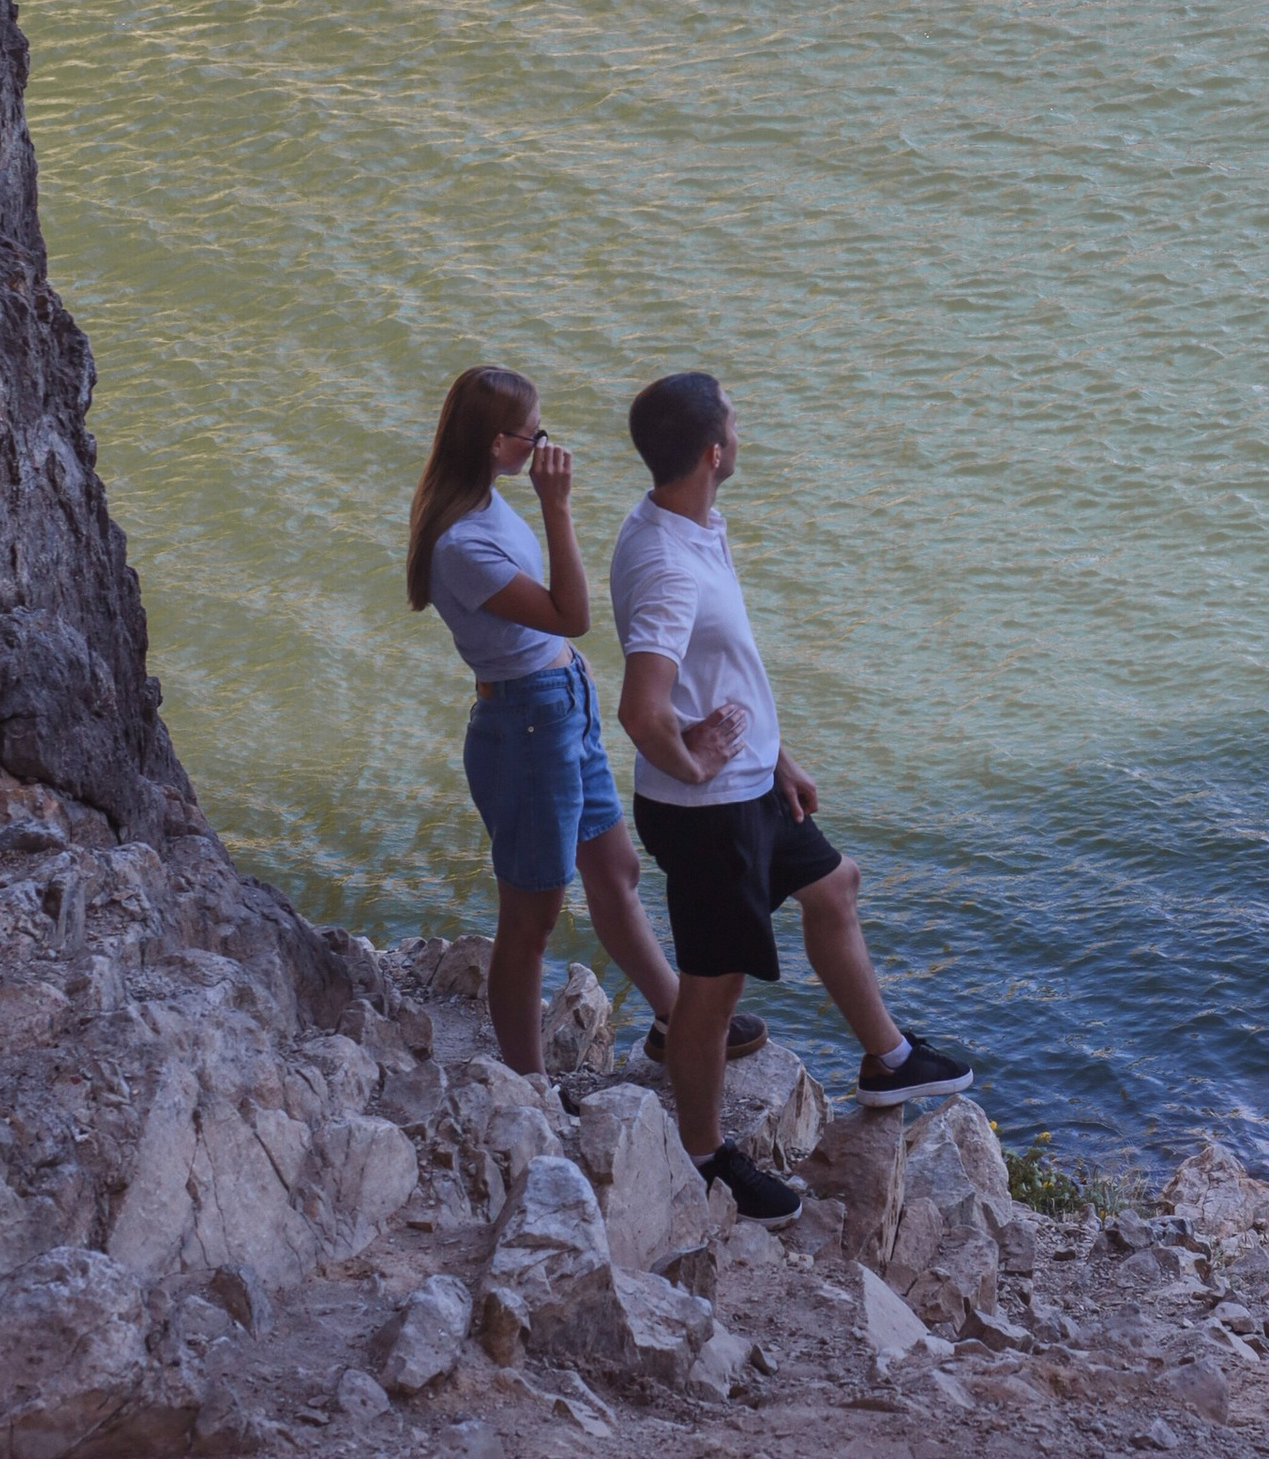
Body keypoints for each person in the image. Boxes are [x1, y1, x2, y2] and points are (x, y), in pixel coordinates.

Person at [611, 367, 973, 1226]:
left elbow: (718, 673)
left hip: (749, 790)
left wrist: (776, 758)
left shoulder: (686, 522)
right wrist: (691, 763)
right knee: (713, 992)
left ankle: (887, 1059)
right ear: (714, 450)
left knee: (834, 884)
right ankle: (704, 1159)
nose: (742, 433)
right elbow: (642, 705)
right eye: (735, 422)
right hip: (709, 817)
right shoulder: (667, 563)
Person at [407, 364, 687, 1079]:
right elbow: (573, 615)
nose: (542, 448)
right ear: (497, 442)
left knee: (616, 869)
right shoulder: (460, 544)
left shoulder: (482, 503)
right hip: (527, 728)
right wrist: (558, 505)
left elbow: (551, 630)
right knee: (529, 923)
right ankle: (527, 1086)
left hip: (561, 708)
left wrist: (569, 671)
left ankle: (676, 1017)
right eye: (535, 435)